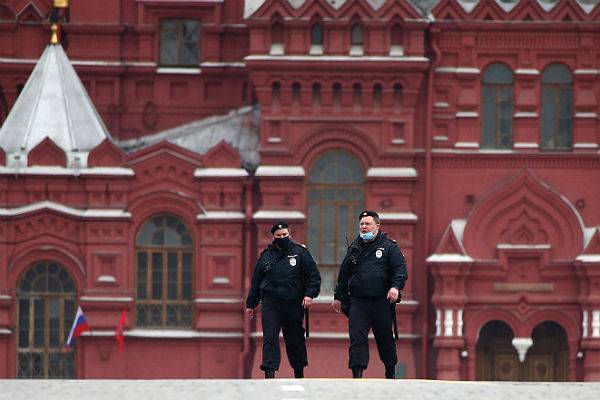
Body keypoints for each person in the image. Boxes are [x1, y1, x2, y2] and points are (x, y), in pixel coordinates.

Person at [332, 210, 408, 379]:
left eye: (368, 224)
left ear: (377, 226)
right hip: (358, 301)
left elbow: (400, 270)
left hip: (382, 301)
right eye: (362, 224)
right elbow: (344, 275)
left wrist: (395, 287)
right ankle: (357, 373)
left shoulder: (389, 247)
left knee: (385, 339)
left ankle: (390, 370)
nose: (364, 227)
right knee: (357, 338)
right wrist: (338, 297)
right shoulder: (354, 247)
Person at [246, 220, 321, 379]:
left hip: (294, 303)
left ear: (290, 234)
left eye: (285, 235)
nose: (282, 237)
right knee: (270, 338)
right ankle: (269, 372)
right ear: (273, 237)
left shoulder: (300, 253)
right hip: (271, 303)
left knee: (294, 339)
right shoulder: (266, 256)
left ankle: (299, 371)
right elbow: (256, 281)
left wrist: (309, 294)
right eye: (279, 235)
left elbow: (313, 276)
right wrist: (250, 304)